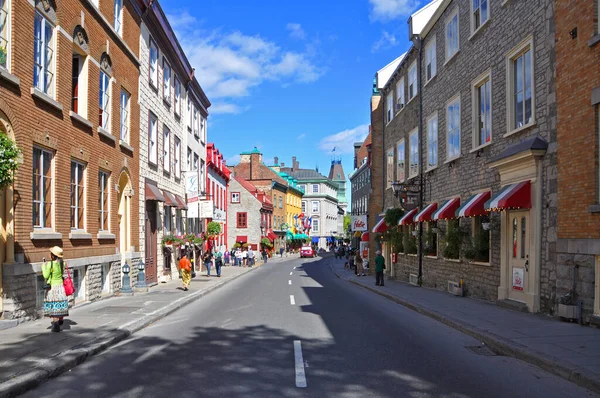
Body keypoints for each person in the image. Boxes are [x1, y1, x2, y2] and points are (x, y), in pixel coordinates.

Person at [42, 246, 69, 332]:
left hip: (53, 287)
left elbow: (46, 275)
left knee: (54, 305)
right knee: (60, 304)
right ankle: (60, 319)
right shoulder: (63, 263)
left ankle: (55, 324)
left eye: (51, 253)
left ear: (53, 255)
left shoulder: (50, 264)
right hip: (61, 287)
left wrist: (43, 266)